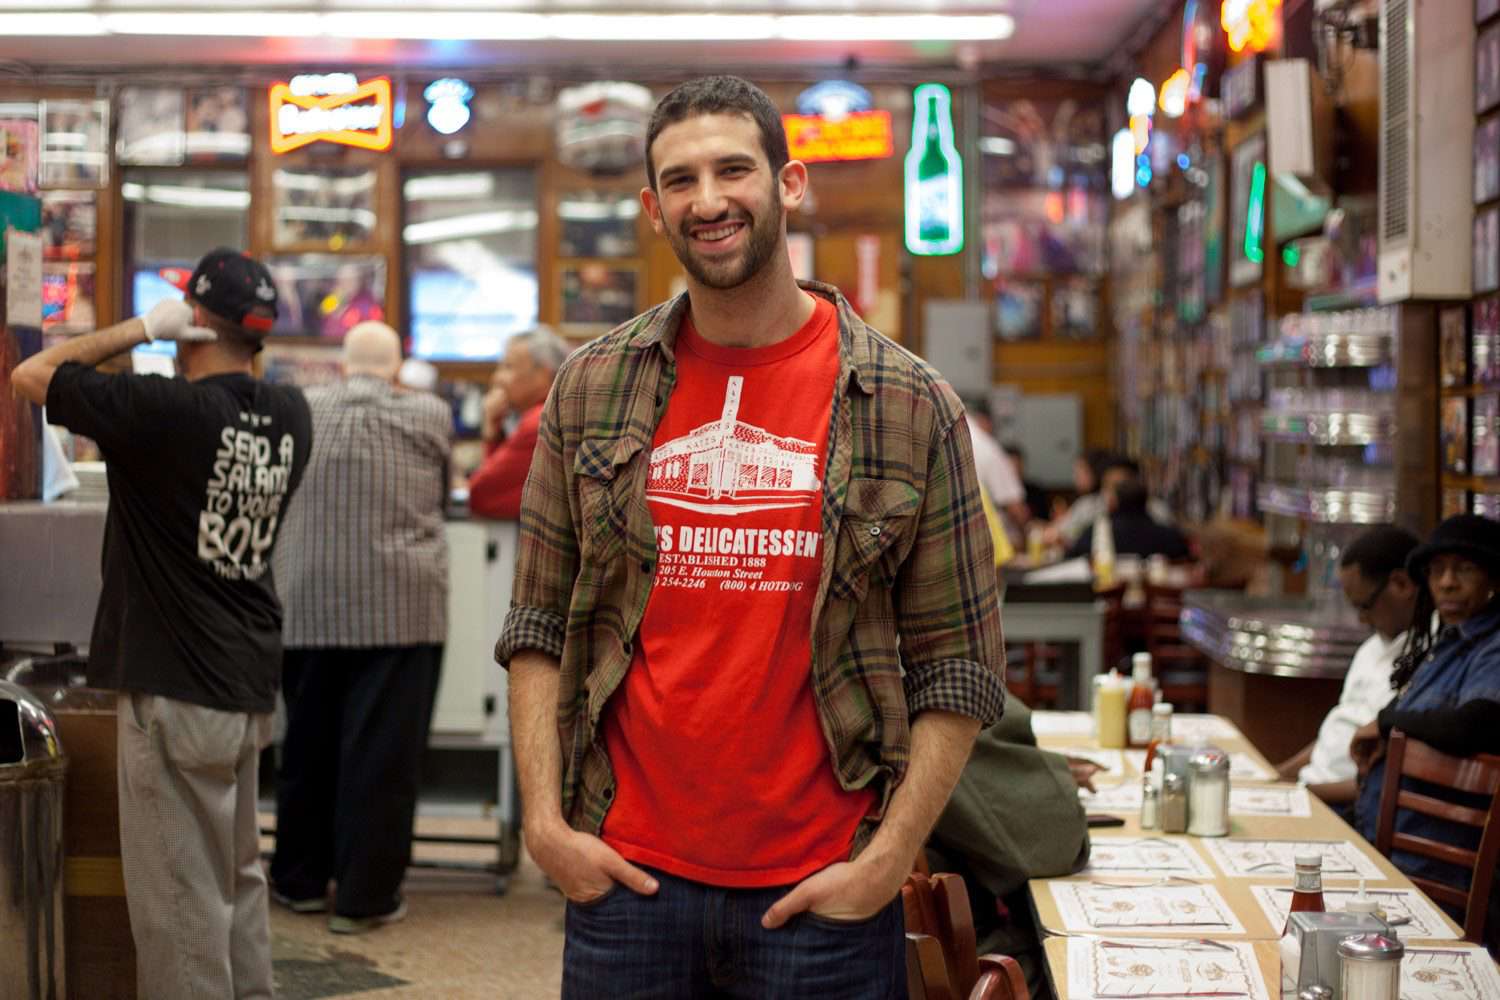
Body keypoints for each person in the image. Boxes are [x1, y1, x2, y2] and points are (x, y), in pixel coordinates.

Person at [496, 75, 1005, 998]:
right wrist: (544, 822)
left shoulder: (909, 401)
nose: (710, 200)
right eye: (681, 181)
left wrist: (889, 860)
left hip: (823, 889)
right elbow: (535, 620)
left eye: (735, 170)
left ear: (790, 183)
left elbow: (959, 662)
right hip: (625, 878)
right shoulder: (589, 387)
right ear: (653, 208)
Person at [10, 248, 312, 1000]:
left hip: (175, 689)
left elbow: (32, 375)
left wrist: (141, 327)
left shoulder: (165, 413)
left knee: (179, 905)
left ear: (195, 322)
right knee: (236, 884)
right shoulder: (290, 414)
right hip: (245, 686)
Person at [269, 321, 451, 934]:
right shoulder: (429, 413)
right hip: (398, 608)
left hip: (307, 602)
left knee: (306, 747)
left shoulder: (298, 408)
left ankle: (297, 882)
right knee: (381, 758)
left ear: (342, 366)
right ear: (397, 371)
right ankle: (364, 897)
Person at [1351, 515, 1500, 935]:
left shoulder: (1492, 645)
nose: (1447, 583)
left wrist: (1386, 724)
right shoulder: (1445, 640)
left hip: (1430, 871)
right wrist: (1390, 729)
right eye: (1436, 571)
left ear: (1494, 579)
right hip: (1381, 845)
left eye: (1463, 570)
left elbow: (1479, 723)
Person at [925, 697, 1091, 1000]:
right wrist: (1050, 777)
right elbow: (1050, 847)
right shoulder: (946, 693)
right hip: (976, 964)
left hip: (925, 947)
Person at [1274, 526, 1419, 818]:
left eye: (1365, 606)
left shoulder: (1425, 659)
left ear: (1401, 584)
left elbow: (1377, 783)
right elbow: (1336, 732)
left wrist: (1300, 792)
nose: (1361, 618)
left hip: (1346, 807)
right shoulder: (1371, 648)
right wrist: (1277, 776)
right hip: (1311, 789)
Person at [466, 326, 568, 520]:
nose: (497, 378)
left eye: (508, 367)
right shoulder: (554, 412)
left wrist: (489, 430)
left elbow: (480, 495)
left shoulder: (539, 423)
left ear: (543, 374)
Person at [1050, 455, 1172, 547]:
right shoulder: (1088, 506)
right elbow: (1059, 535)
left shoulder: (1157, 509)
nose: (1113, 493)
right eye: (1109, 486)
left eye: (1121, 486)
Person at [1065, 478, 1191, 561]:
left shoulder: (1095, 534)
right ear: (1146, 502)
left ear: (1112, 503)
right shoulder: (1169, 537)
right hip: (1161, 598)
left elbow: (1072, 560)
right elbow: (1188, 562)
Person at [963, 397, 1029, 538]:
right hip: (987, 538)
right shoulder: (986, 447)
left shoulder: (955, 436)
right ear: (986, 421)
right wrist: (1028, 531)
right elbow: (1014, 506)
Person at [1004, 442, 1051, 524]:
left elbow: (1046, 520)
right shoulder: (1000, 494)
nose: (1016, 471)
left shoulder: (1036, 491)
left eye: (1018, 466)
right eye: (1012, 467)